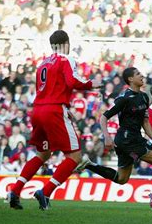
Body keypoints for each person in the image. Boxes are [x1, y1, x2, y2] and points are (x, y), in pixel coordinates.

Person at [7, 30, 102, 210]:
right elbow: (72, 81)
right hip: (54, 110)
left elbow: (46, 89)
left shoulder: (42, 64)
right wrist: (91, 84)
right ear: (66, 42)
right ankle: (45, 191)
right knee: (75, 156)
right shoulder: (67, 59)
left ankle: (15, 190)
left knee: (43, 154)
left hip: (38, 110)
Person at [82, 67, 152, 211]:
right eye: (138, 74)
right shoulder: (124, 98)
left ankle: (89, 165)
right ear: (131, 79)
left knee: (122, 179)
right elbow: (104, 117)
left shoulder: (144, 96)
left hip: (133, 139)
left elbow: (144, 121)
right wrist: (107, 136)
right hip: (127, 140)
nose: (142, 75)